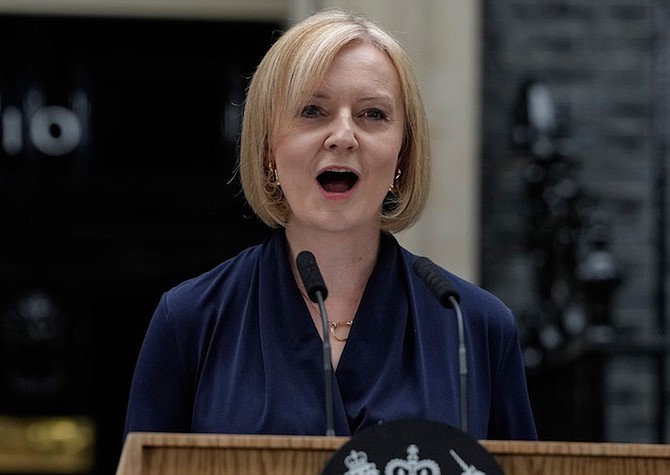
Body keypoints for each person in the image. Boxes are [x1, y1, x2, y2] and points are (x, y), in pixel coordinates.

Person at [122, 7, 537, 441]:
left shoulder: (475, 325)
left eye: (372, 114)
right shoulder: (190, 319)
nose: (343, 135)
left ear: (402, 153)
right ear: (267, 148)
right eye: (312, 111)